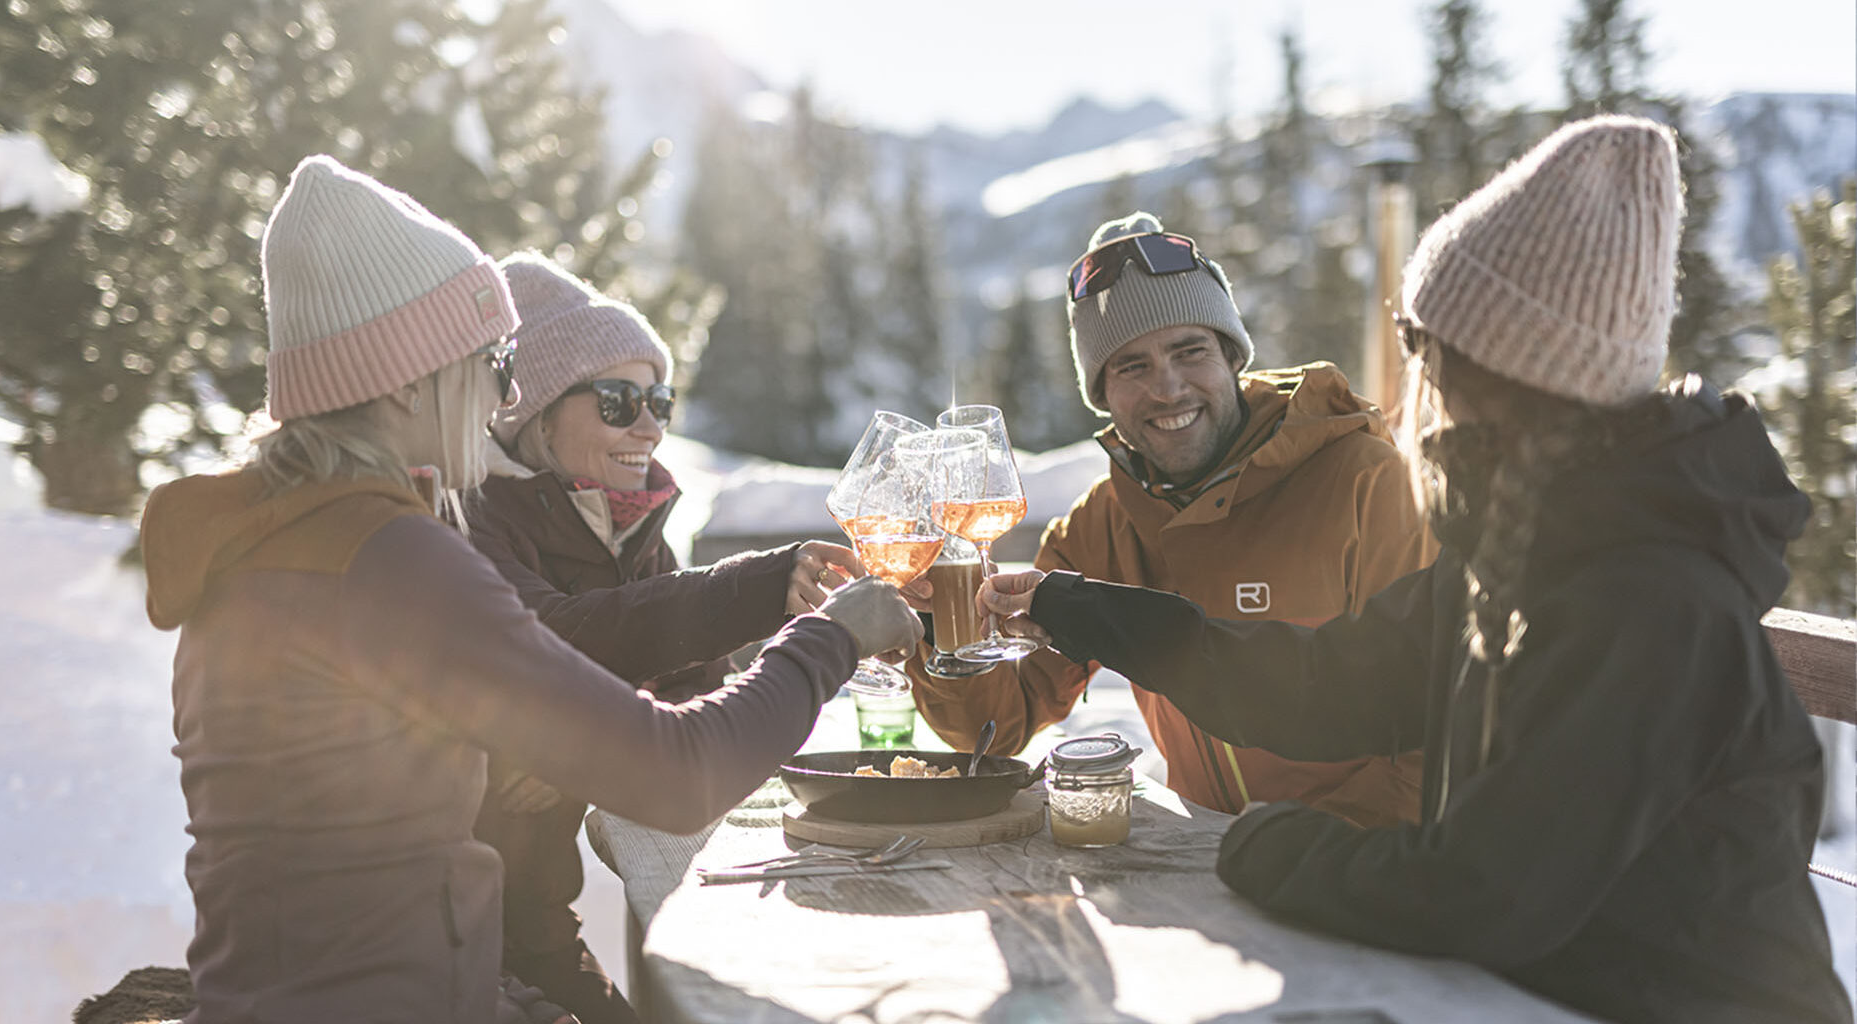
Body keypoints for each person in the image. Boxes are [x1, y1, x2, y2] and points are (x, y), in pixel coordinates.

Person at [977, 117, 1850, 1023]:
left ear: (1511, 374)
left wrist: (1264, 845)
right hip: (1531, 995)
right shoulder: (1525, 550)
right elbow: (1318, 682)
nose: (1413, 378)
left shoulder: (1643, 598)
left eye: (1426, 345)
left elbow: (1484, 890)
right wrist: (1079, 611)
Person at [139, 155, 921, 1024]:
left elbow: (351, 862)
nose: (499, 398)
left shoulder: (260, 547)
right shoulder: (393, 560)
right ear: (405, 377)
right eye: (493, 363)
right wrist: (832, 639)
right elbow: (677, 773)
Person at [903, 210, 1434, 827]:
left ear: (1232, 358)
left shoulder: (1365, 481)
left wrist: (1298, 852)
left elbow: (1431, 722)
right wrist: (942, 628)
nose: (1169, 388)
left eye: (1190, 351)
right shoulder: (1099, 526)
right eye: (1132, 367)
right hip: (1202, 868)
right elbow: (996, 729)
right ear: (1102, 393)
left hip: (1355, 863)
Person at [466, 250, 862, 1023]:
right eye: (617, 400)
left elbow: (689, 691)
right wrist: (760, 587)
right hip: (454, 941)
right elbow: (552, 639)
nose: (648, 423)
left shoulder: (629, 521)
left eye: (660, 398)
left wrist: (570, 749)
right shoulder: (472, 515)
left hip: (538, 922)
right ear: (534, 411)